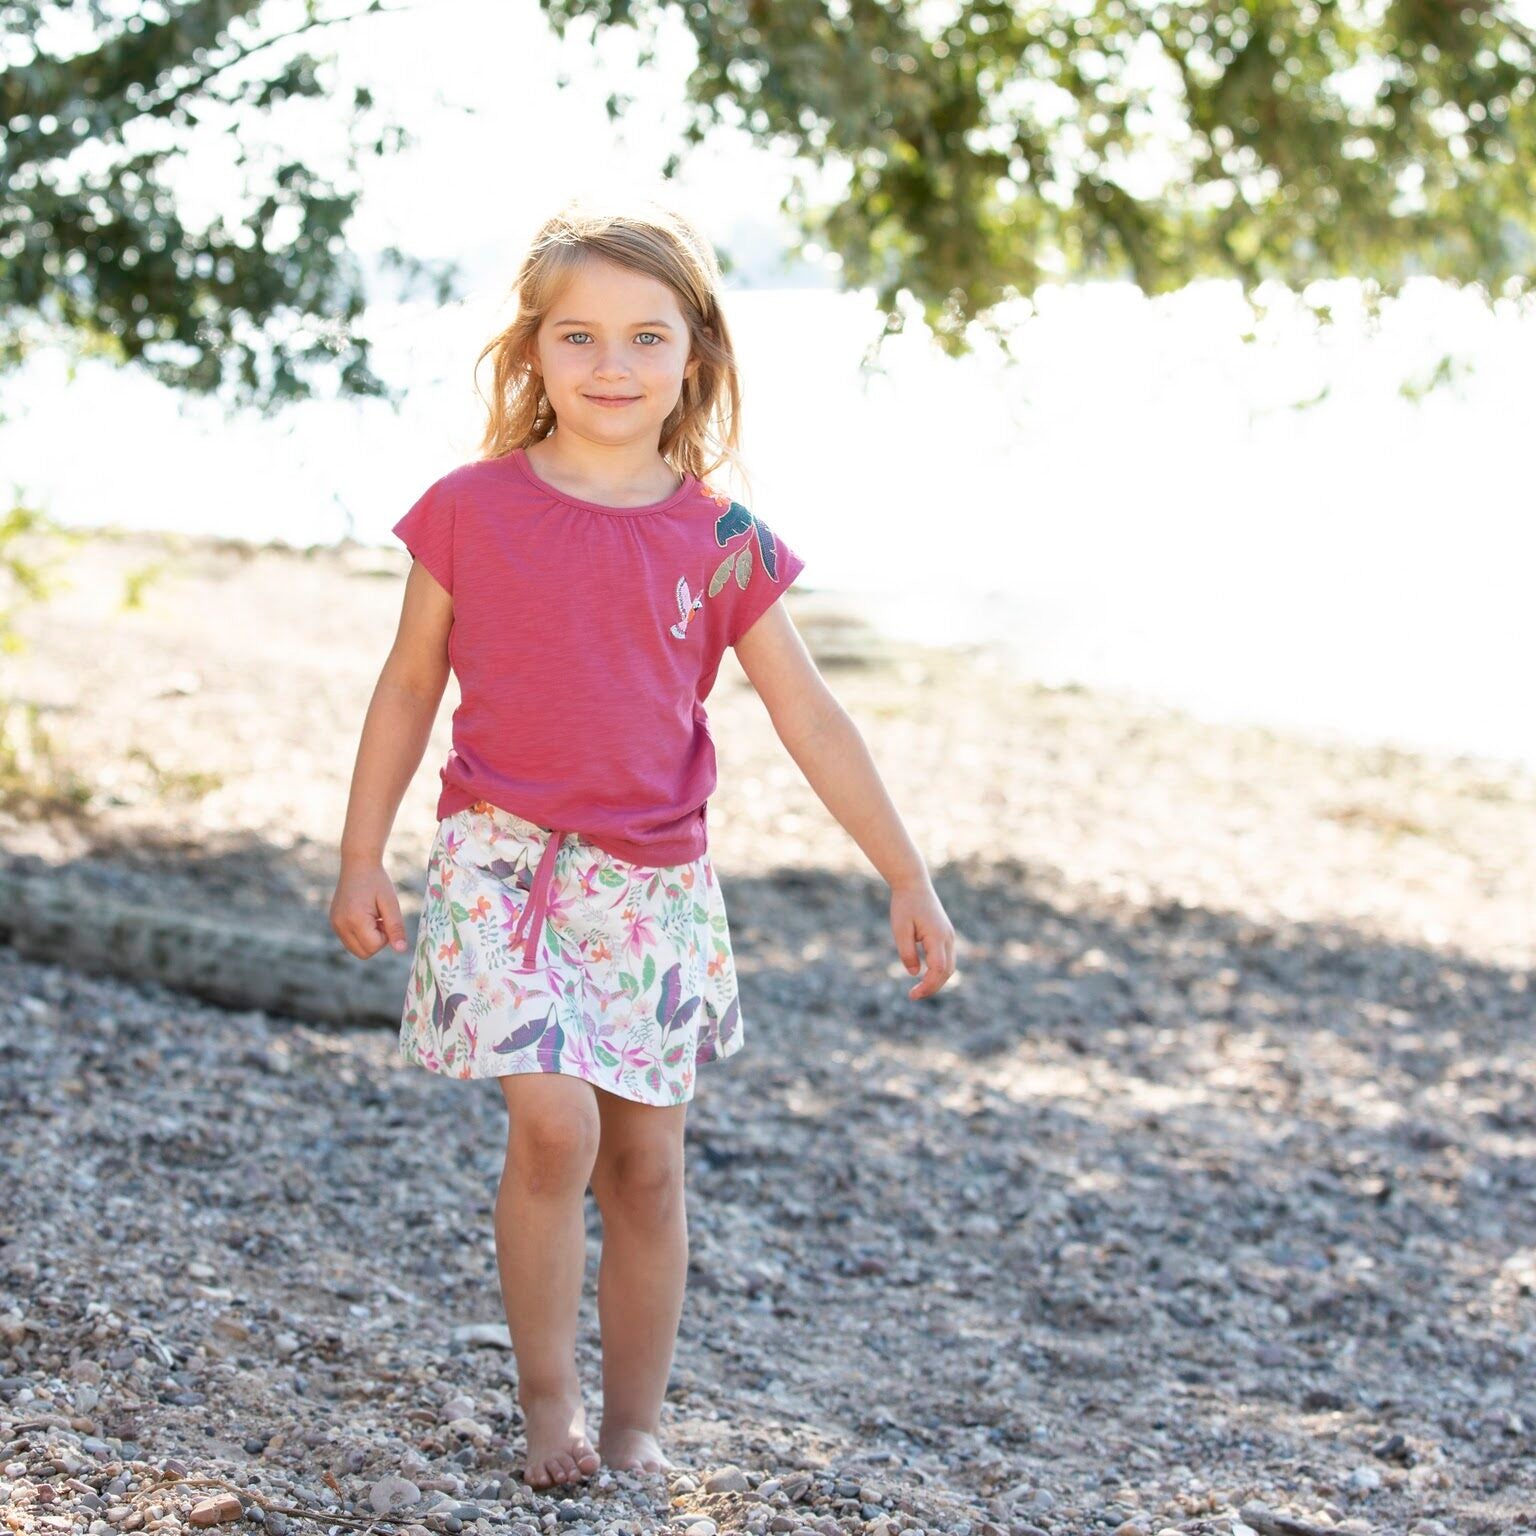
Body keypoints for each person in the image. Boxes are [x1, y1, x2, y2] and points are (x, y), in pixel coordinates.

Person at [329, 196, 957, 1491]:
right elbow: (405, 687)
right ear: (532, 354)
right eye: (578, 337)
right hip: (500, 866)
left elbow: (810, 713)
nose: (611, 367)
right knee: (554, 1128)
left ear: (696, 357)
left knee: (649, 1168)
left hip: (655, 891)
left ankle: (633, 1423)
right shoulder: (469, 508)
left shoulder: (718, 539)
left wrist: (907, 871)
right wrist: (359, 854)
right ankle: (549, 1404)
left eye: (644, 339)